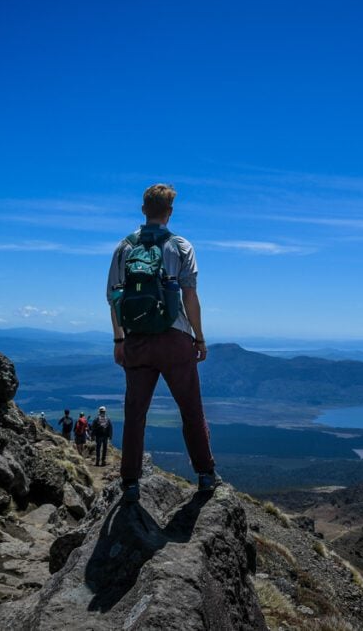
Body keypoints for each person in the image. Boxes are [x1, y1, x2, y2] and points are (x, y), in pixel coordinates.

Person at [107, 183, 218, 502]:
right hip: (175, 340)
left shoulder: (123, 247)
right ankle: (206, 474)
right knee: (191, 409)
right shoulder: (181, 246)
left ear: (144, 209)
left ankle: (129, 482)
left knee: (135, 412)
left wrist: (119, 339)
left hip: (137, 342)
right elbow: (190, 295)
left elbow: (113, 296)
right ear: (169, 212)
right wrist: (198, 336)